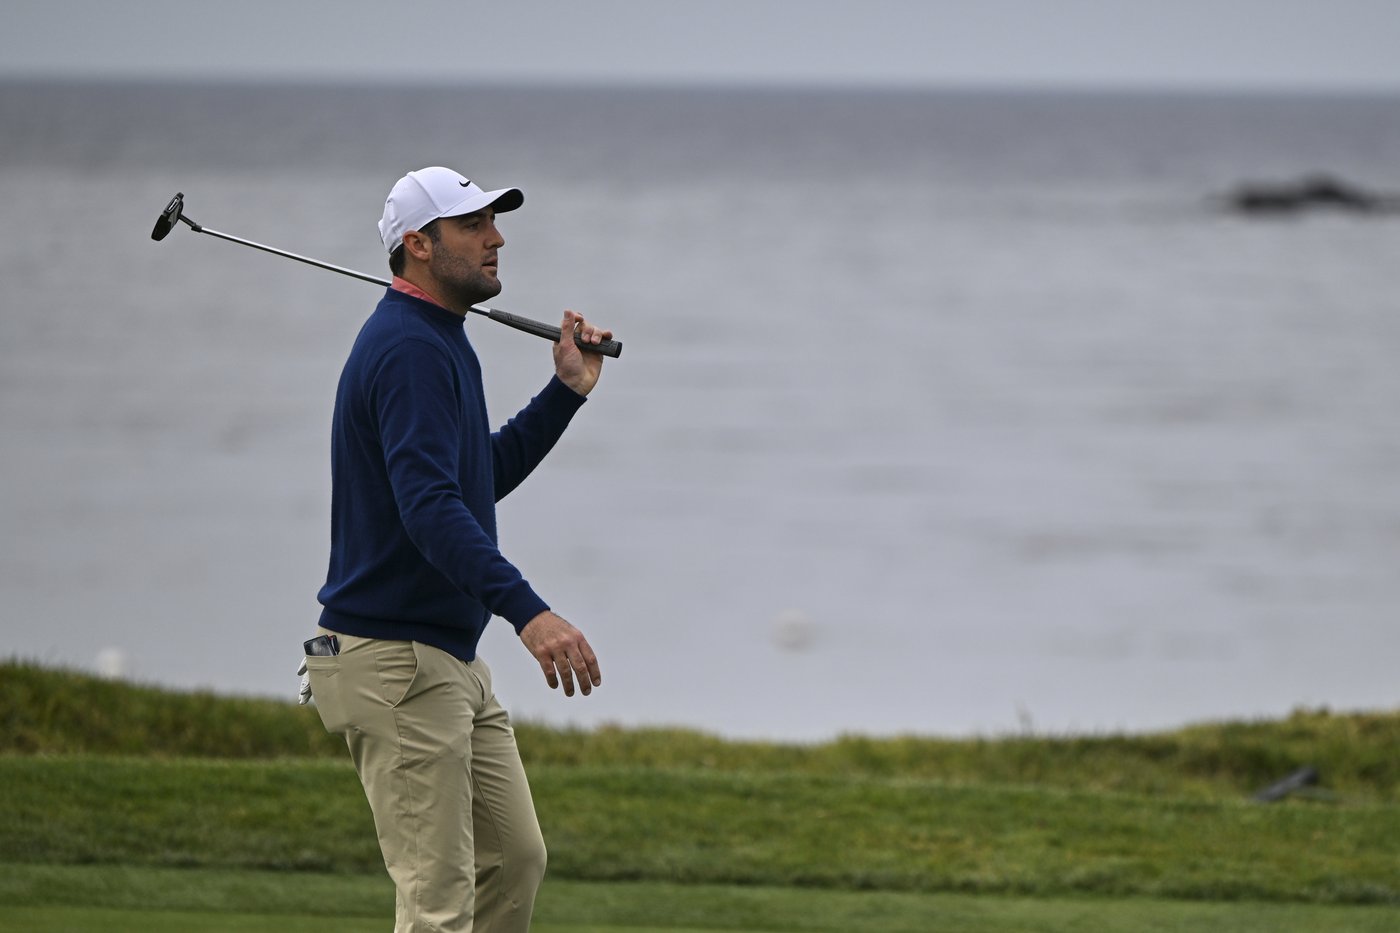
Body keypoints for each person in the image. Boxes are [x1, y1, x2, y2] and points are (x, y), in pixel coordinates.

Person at [299, 165, 609, 933]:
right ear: (419, 245)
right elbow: (432, 509)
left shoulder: (437, 338)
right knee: (437, 907)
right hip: (396, 661)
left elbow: (473, 480)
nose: (496, 237)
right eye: (473, 225)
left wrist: (565, 391)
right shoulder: (408, 348)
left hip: (443, 658)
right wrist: (529, 613)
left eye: (492, 222)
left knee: (513, 858)